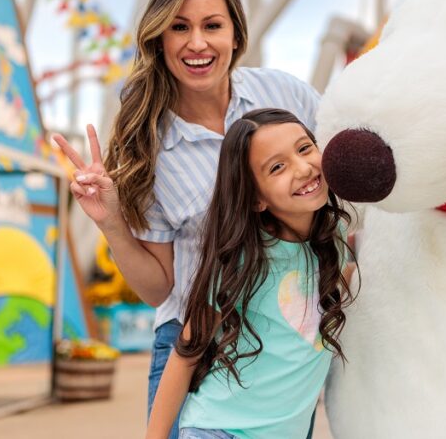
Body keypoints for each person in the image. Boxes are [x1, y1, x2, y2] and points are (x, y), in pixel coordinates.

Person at [52, 0, 321, 437]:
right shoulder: (148, 150)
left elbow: (336, 172)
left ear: (236, 34)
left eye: (212, 25)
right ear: (159, 39)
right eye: (180, 27)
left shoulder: (283, 93)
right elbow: (159, 289)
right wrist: (111, 222)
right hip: (194, 341)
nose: (197, 43)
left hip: (281, 331)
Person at [145, 108, 355, 439]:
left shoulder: (337, 238)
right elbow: (186, 354)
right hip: (218, 430)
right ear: (256, 198)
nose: (303, 168)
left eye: (304, 148)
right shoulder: (244, 260)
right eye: (277, 167)